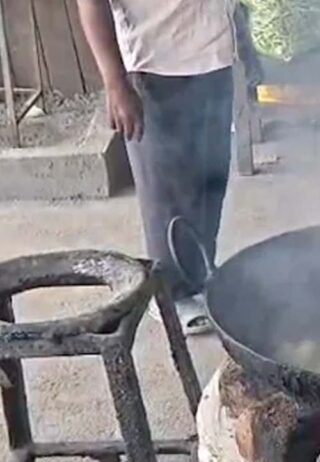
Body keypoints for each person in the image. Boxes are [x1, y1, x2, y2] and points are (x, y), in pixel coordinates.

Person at [77, 0, 260, 333]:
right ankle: (171, 297)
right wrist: (115, 81)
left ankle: (201, 277)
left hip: (213, 56)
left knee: (209, 183)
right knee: (167, 195)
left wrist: (240, 34)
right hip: (153, 67)